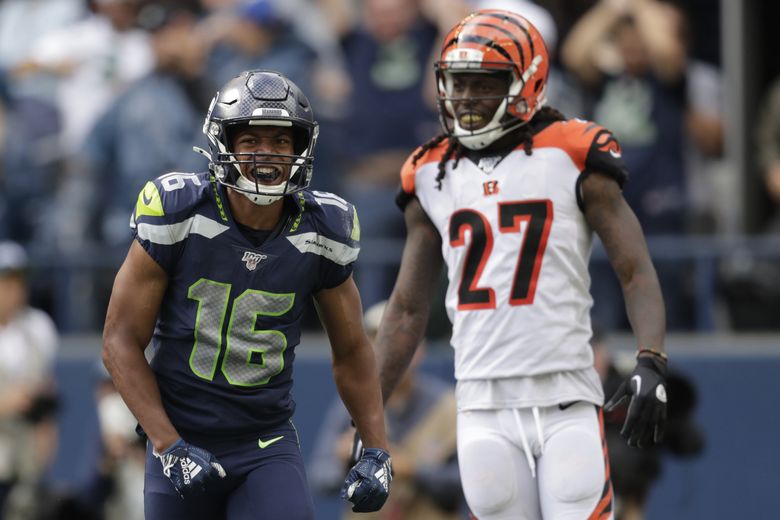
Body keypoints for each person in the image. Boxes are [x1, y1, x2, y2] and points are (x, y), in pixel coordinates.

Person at [372, 10, 669, 519]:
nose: (464, 99)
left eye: (481, 84)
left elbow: (635, 269)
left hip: (567, 395)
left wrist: (651, 359)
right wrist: (367, 411)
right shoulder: (430, 172)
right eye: (457, 84)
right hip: (482, 403)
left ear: (526, 82)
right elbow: (404, 310)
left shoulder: (573, 153)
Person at [101, 69, 391, 519]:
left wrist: (376, 449)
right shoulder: (180, 212)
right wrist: (168, 443)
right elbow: (119, 340)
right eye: (251, 140)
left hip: (266, 442)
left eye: (281, 142)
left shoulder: (321, 229)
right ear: (225, 144)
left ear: (301, 148)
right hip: (180, 434)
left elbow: (352, 350)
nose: (267, 155)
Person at [310, 300, 464, 519]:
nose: (390, 351)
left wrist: (414, 470)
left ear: (419, 349)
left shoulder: (448, 405)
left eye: (401, 341)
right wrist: (345, 461)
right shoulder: (350, 404)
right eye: (379, 340)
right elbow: (321, 477)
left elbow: (469, 482)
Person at [0, 241, 60, 518]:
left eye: (18, 281)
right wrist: (8, 401)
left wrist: (47, 427)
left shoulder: (38, 327)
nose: (14, 289)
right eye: (7, 281)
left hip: (27, 449)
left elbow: (48, 389)